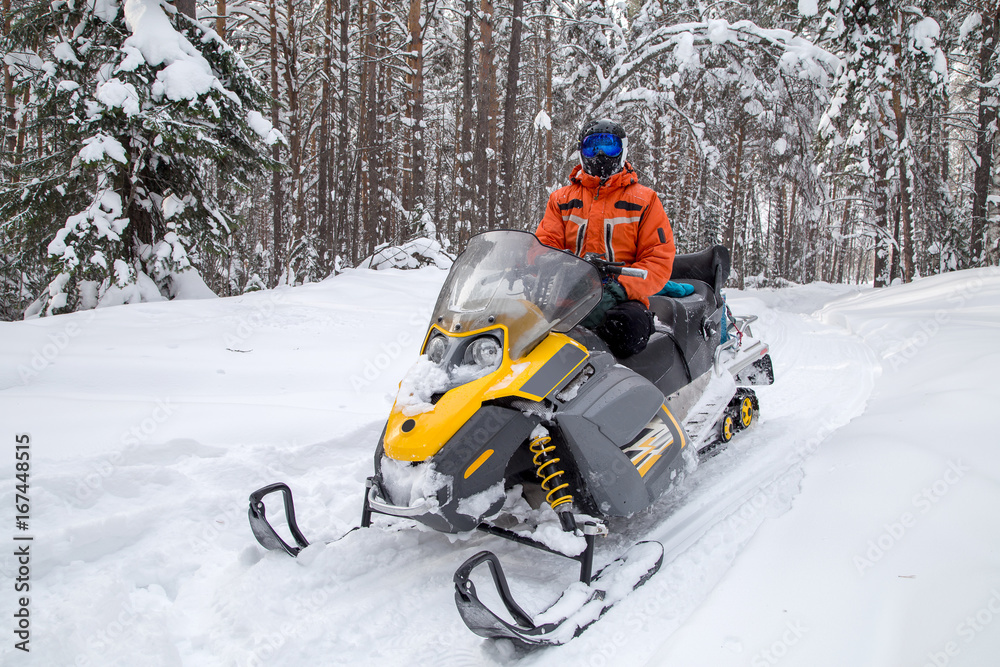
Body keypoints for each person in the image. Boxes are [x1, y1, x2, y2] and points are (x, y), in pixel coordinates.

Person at [535, 118, 676, 357]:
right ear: (581, 151)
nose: (600, 155)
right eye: (592, 147)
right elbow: (543, 245)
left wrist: (620, 287)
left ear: (622, 151)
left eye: (609, 147)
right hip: (569, 291)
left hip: (623, 296)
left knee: (625, 328)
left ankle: (623, 387)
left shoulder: (644, 200)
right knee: (525, 325)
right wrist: (555, 264)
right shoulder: (561, 199)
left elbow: (658, 260)